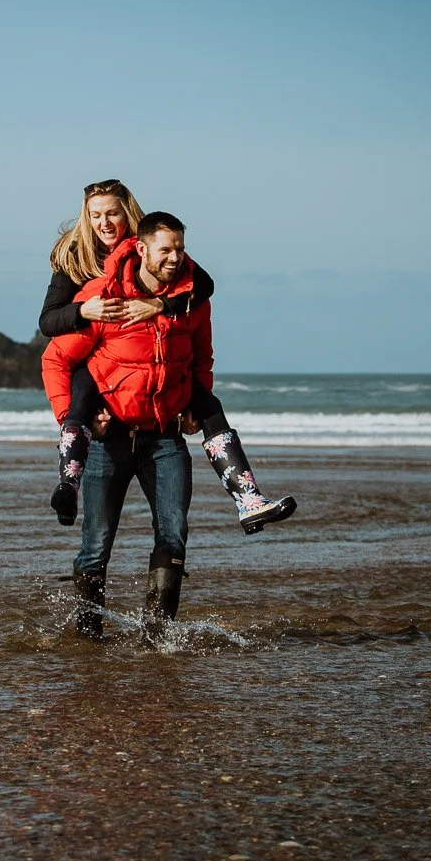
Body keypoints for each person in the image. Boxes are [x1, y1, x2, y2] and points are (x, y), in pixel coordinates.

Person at [39, 179, 295, 536]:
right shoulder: (75, 255)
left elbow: (201, 286)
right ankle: (68, 484)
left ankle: (248, 499)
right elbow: (48, 322)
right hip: (94, 347)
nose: (105, 222)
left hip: (153, 354)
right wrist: (85, 310)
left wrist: (160, 304)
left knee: (207, 403)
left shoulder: (155, 246)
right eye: (96, 215)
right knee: (82, 389)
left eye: (112, 212)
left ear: (127, 213)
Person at [41, 212, 208, 636]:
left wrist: (194, 405)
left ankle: (157, 636)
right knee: (96, 545)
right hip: (108, 441)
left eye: (180, 249)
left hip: (165, 439)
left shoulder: (190, 300)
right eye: (166, 249)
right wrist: (71, 419)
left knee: (174, 536)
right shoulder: (108, 299)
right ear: (142, 248)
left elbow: (201, 358)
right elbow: (55, 359)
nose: (175, 257)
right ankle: (87, 634)